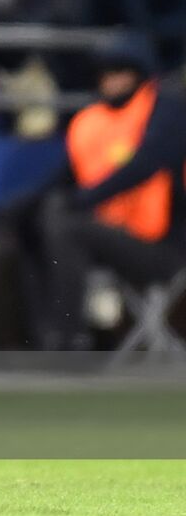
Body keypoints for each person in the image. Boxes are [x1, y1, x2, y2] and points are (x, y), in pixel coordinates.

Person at [11, 39, 186, 348]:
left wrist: (86, 199)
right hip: (114, 235)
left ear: (140, 74)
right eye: (105, 72)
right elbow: (64, 178)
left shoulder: (166, 109)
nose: (111, 79)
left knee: (67, 225)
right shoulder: (92, 121)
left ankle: (70, 336)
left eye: (122, 71)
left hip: (164, 247)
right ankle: (43, 333)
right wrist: (22, 206)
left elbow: (146, 163)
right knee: (39, 217)